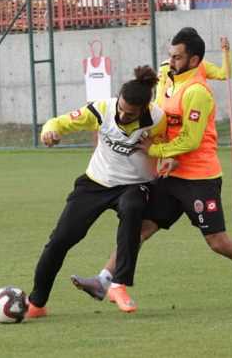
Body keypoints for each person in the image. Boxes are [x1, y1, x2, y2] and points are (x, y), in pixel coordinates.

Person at [72, 28, 232, 310]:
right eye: (170, 54)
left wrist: (155, 150)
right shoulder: (165, 77)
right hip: (170, 174)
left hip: (199, 178)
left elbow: (191, 140)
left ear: (194, 61)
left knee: (217, 242)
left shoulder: (197, 93)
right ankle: (104, 280)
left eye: (177, 57)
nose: (171, 61)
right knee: (140, 227)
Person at [26, 66, 168, 319]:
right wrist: (50, 132)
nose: (123, 115)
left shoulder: (157, 119)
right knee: (60, 240)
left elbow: (170, 146)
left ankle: (118, 286)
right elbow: (59, 122)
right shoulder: (101, 109)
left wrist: (160, 151)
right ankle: (36, 303)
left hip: (136, 184)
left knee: (132, 209)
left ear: (144, 110)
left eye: (130, 113)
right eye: (121, 108)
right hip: (96, 183)